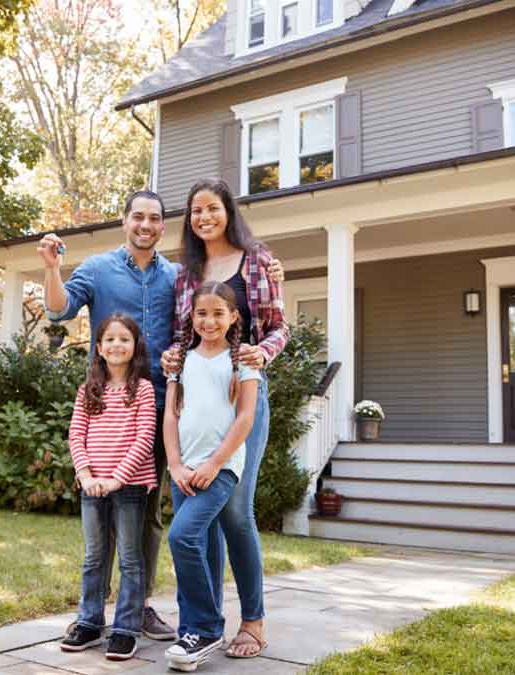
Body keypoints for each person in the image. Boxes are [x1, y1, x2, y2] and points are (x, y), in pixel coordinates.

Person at [39, 190, 180, 640]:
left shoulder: (175, 276)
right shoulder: (98, 269)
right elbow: (59, 309)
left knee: (148, 516)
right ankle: (92, 613)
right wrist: (51, 268)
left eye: (154, 218)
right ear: (125, 222)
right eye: (138, 216)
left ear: (162, 226)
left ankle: (136, 609)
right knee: (101, 519)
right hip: (107, 412)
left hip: (159, 411)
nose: (145, 224)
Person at [161, 177, 288, 659]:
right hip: (198, 393)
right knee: (202, 515)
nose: (204, 217)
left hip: (243, 389)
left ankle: (253, 621)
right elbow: (182, 333)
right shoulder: (185, 271)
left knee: (236, 511)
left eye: (212, 208)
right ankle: (204, 622)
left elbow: (279, 326)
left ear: (227, 211)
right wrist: (173, 360)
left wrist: (260, 354)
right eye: (195, 211)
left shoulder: (257, 259)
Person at [163, 281, 260, 672]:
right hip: (183, 467)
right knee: (195, 542)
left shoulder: (243, 361)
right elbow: (171, 415)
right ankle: (193, 633)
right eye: (202, 313)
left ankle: (205, 627)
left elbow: (246, 418)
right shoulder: (179, 361)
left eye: (219, 313)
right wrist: (174, 464)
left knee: (182, 535)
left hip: (219, 469)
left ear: (234, 317)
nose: (209, 320)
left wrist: (215, 463)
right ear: (192, 316)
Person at [62, 314, 157, 661]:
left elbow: (145, 437)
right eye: (110, 340)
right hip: (92, 486)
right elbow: (76, 434)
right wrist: (86, 475)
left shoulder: (143, 389)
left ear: (135, 348)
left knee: (130, 559)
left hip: (129, 486)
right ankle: (88, 622)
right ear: (99, 348)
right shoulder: (89, 390)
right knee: (93, 557)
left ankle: (126, 628)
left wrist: (118, 477)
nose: (117, 345)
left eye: (124, 339)